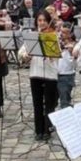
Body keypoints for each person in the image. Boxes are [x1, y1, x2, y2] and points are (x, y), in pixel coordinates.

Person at [25, 10, 59, 142]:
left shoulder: (53, 35)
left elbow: (57, 56)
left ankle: (47, 129)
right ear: (36, 22)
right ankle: (38, 130)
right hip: (35, 74)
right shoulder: (32, 36)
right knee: (37, 103)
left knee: (49, 104)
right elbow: (22, 53)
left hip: (50, 74)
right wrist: (26, 56)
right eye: (39, 20)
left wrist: (51, 55)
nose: (42, 23)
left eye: (44, 20)